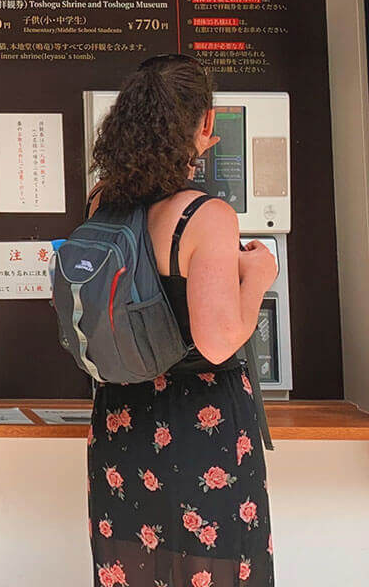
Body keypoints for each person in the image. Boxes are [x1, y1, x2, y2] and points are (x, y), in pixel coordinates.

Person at [86, 54, 279, 587]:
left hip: (122, 420)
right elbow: (217, 342)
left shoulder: (104, 203)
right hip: (200, 427)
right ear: (206, 123)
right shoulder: (205, 216)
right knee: (211, 570)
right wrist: (260, 274)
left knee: (132, 565)